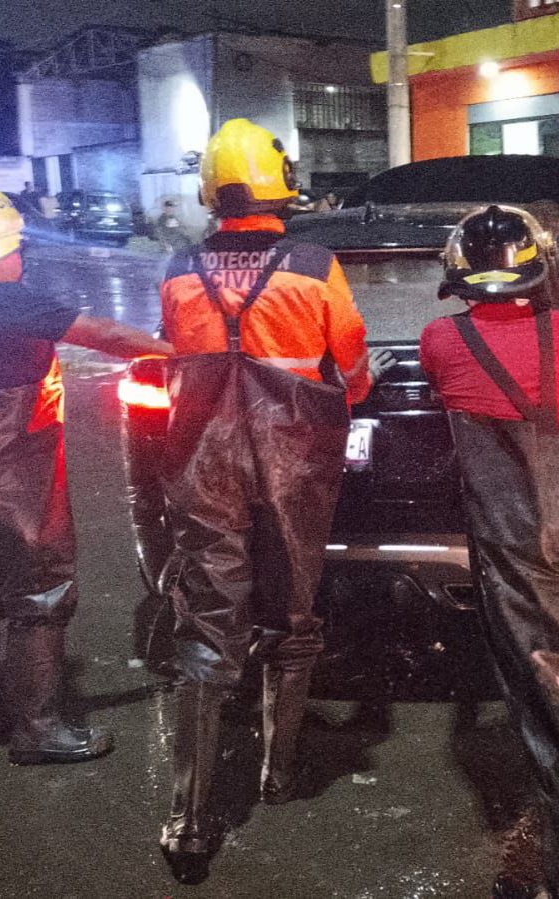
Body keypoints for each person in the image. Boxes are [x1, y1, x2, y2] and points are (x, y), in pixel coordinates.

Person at [155, 118, 392, 884]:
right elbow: (350, 364)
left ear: (212, 193)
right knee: (292, 611)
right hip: (294, 462)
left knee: (208, 619)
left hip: (203, 464)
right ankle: (277, 775)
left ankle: (192, 820)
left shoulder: (177, 267)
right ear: (279, 186)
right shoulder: (314, 262)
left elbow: (176, 358)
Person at [421, 205, 559, 898]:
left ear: (459, 273)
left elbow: (452, 395)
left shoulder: (440, 336)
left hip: (522, 526)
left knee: (552, 694)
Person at [0, 187, 174, 765]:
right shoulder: (8, 303)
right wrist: (178, 351)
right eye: (16, 248)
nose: (22, 257)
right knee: (40, 583)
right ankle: (40, 730)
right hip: (6, 461)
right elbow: (105, 335)